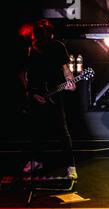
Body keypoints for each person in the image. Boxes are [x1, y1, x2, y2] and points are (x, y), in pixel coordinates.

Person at [21, 19, 78, 180]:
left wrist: (71, 82)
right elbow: (23, 73)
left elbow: (66, 70)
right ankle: (37, 160)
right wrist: (30, 93)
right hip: (35, 93)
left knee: (62, 130)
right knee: (35, 130)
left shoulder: (58, 46)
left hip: (54, 92)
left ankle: (70, 165)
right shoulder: (30, 49)